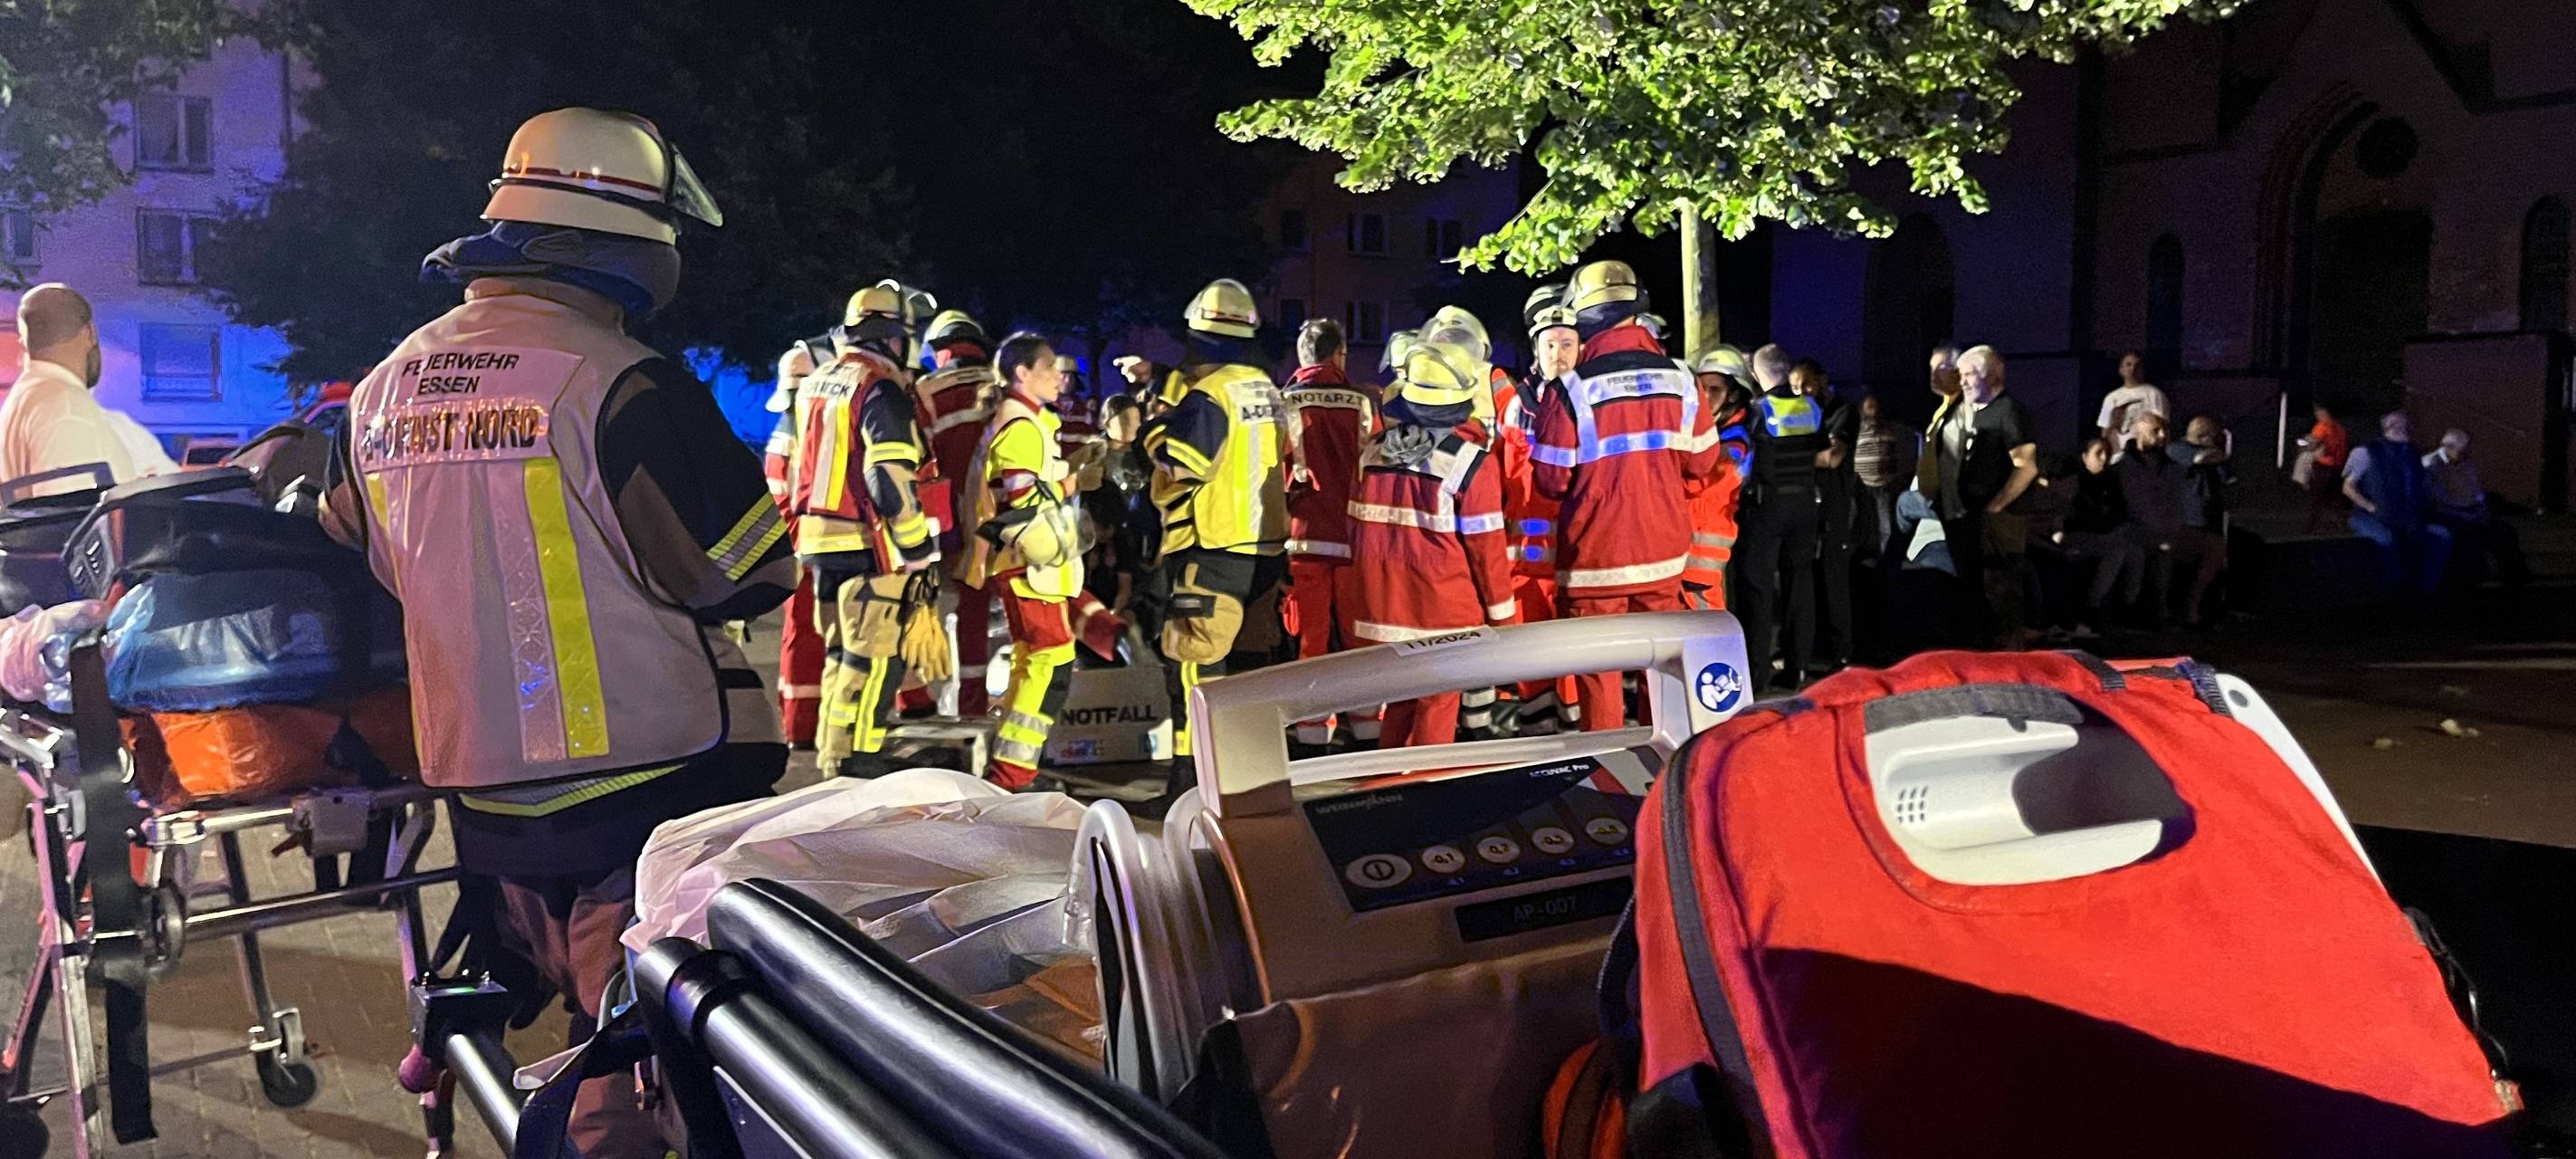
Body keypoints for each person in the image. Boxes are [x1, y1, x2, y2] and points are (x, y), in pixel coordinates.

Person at [322, 108, 791, 1157]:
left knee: (556, 1015)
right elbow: (741, 572)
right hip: (645, 786)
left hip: (480, 793)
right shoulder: (622, 380)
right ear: (632, 242)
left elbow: (365, 550)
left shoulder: (382, 387)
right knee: (632, 1058)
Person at [1531, 260, 1720, 729]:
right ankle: (1660, 776)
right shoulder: (1683, 379)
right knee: (1660, 672)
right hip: (1663, 556)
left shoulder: (1570, 390)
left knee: (1600, 677)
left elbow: (1550, 481)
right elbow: (1702, 463)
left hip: (1595, 561)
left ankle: (1607, 774)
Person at [788, 283, 943, 778]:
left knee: (843, 652)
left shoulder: (822, 378)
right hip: (859, 537)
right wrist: (918, 548)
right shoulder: (879, 387)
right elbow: (889, 476)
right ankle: (860, 760)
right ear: (892, 338)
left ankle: (834, 758)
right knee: (876, 657)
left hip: (817, 539)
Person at [1143, 278, 1289, 798]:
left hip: (1213, 549)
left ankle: (1188, 786)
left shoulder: (1208, 395)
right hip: (1266, 548)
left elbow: (1186, 464)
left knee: (1194, 672)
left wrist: (1156, 433)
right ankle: (1249, 782)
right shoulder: (1265, 387)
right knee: (1250, 674)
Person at [1348, 341, 1516, 746]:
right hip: (1444, 617)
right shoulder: (1471, 463)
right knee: (1437, 714)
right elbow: (1487, 551)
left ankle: (1384, 790)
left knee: (1400, 706)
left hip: (1382, 611)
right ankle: (1423, 792)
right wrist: (1503, 620)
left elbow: (1354, 534)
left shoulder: (1371, 455)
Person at [959, 333, 1091, 790]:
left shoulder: (1025, 420)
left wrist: (1073, 473)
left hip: (1026, 563)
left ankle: (1012, 770)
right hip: (1031, 563)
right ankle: (1014, 776)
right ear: (1022, 373)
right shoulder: (1020, 424)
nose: (1060, 375)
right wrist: (1071, 486)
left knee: (1034, 661)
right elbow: (1020, 496)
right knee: (1048, 662)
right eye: (1049, 367)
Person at [1279, 317, 1378, 751]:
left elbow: (1276, 472)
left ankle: (1312, 732)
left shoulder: (1287, 402)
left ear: (1303, 357)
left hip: (1306, 536)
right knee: (1360, 638)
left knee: (1312, 637)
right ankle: (1369, 725)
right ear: (1339, 356)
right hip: (1357, 535)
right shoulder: (1362, 402)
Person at [1502, 286, 1585, 735]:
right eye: (1550, 344)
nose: (1558, 353)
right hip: (1527, 556)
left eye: (1567, 343)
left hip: (1573, 553)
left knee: (1573, 649)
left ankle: (1574, 730)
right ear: (1536, 349)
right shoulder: (1521, 404)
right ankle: (1535, 727)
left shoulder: (1586, 400)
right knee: (1530, 644)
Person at [2, 284, 176, 493]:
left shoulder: (26, 399)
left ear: (27, 342)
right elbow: (71, 513)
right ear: (89, 333)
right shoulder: (67, 407)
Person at [760, 322, 842, 748]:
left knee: (802, 637)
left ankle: (798, 722)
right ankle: (803, 726)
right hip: (806, 548)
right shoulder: (801, 435)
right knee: (811, 637)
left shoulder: (781, 434)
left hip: (793, 548)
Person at [918, 310, 1000, 714]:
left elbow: (919, 465)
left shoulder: (927, 392)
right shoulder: (1004, 386)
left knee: (934, 614)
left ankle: (923, 697)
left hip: (949, 527)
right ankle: (982, 700)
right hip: (1008, 523)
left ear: (940, 351)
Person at [1932, 346, 2040, 645]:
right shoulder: (1974, 412)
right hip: (1973, 518)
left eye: (1968, 375)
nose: (1962, 382)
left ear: (1989, 376)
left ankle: (2009, 655)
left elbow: (2026, 466)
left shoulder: (2008, 412)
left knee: (2002, 588)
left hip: (2001, 520)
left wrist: (1997, 506)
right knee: (1979, 588)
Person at [1732, 344, 1825, 691]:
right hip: (1804, 505)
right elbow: (1819, 449)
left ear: (1758, 374)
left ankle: (1756, 676)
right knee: (1800, 587)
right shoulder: (1811, 407)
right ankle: (1797, 669)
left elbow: (1745, 463)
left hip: (1767, 508)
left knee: (1757, 590)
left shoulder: (1759, 410)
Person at [2110, 414, 2225, 627]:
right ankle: (2158, 611)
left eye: (2165, 431)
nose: (2162, 436)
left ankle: (2191, 608)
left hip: (2169, 527)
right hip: (2134, 528)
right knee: (2163, 548)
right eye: (2155, 431)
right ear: (2139, 432)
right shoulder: (2123, 466)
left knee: (2215, 544)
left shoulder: (2171, 467)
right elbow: (2134, 507)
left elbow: (2176, 503)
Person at [2342, 410, 2451, 595]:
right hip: (2370, 516)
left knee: (2442, 536)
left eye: (2405, 425)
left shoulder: (2411, 453)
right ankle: (2393, 587)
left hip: (2403, 517)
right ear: (2388, 427)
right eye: (2398, 425)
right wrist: (2370, 506)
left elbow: (2422, 483)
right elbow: (2348, 487)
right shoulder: (2366, 452)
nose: (2403, 429)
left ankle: (2426, 587)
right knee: (2386, 540)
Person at [1680, 347, 1752, 611]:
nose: (1706, 397)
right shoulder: (1707, 430)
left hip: (1703, 554)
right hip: (1686, 550)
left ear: (1733, 395)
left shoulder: (1735, 441)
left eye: (1715, 390)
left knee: (1709, 632)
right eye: (1703, 389)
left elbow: (1701, 478)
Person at [2051, 437, 2146, 637]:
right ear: (2085, 456)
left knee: (2134, 552)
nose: (2104, 459)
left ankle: (2128, 607)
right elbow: (2065, 516)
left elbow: (2120, 512)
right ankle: (2090, 609)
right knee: (2116, 552)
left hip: (2102, 536)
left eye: (2108, 454)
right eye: (2098, 453)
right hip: (2076, 536)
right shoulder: (2074, 481)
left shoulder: (2111, 481)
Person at [1801, 358, 1859, 674]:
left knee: (1834, 580)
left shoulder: (1843, 412)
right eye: (1796, 387)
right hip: (1807, 507)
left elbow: (1833, 458)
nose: (1802, 392)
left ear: (1822, 381)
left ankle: (1842, 653)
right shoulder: (1801, 416)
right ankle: (1812, 649)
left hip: (1835, 507)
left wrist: (1791, 458)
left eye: (1807, 384)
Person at [2421, 428, 2527, 589]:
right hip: (2449, 513)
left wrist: (2481, 508)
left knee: (2505, 532)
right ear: (2448, 447)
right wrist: (2464, 514)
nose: (2465, 454)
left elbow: (2476, 491)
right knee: (2468, 536)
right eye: (2461, 450)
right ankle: (2469, 579)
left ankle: (2516, 579)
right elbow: (2437, 501)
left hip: (2471, 510)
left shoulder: (2466, 465)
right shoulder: (2432, 465)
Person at [1853, 390, 1918, 560]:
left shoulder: (1889, 432)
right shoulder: (1857, 431)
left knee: (1886, 524)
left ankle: (1886, 557)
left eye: (1875, 406)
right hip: (1863, 486)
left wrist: (1896, 477)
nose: (1872, 410)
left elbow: (1896, 456)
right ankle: (1863, 555)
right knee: (1864, 522)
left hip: (1884, 486)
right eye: (1869, 407)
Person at [2096, 350, 2170, 444]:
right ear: (2121, 370)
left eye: (2137, 365)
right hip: (2118, 452)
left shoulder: (2154, 394)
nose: (2133, 368)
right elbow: (2104, 429)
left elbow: (2163, 426)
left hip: (2144, 450)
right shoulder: (2111, 398)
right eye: (2128, 365)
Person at [2299, 403, 2352, 533]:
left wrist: (2303, 445)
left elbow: (2314, 445)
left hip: (2323, 468)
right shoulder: (2340, 429)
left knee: (2316, 500)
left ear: (2323, 412)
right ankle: (2343, 527)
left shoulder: (2322, 427)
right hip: (2337, 469)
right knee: (2335, 501)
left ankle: (2308, 529)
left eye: (2318, 412)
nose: (2317, 415)